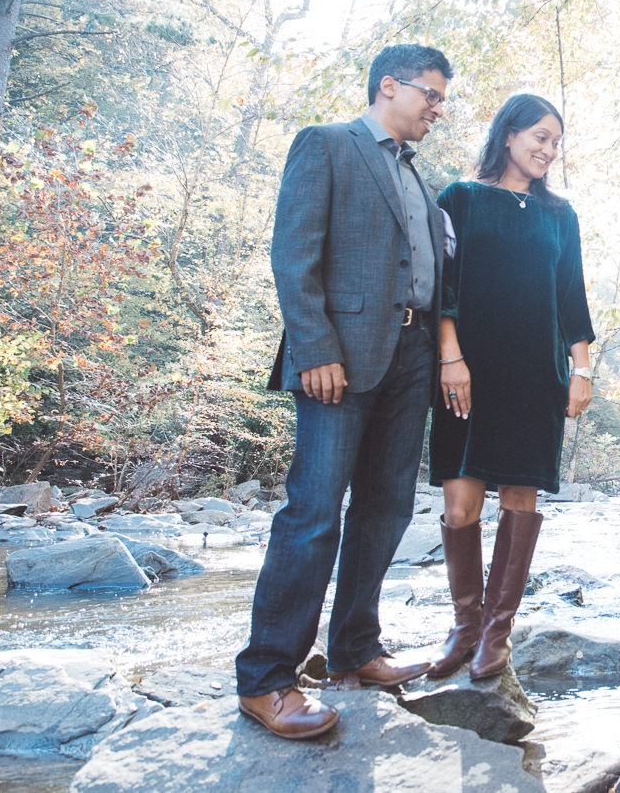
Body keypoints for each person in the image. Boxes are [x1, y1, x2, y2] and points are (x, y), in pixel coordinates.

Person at [235, 44, 453, 739]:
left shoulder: (424, 181)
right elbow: (292, 253)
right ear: (388, 85)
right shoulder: (325, 145)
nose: (438, 110)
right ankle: (268, 676)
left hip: (411, 358)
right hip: (339, 357)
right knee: (313, 513)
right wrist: (314, 347)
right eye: (432, 95)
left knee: (386, 508)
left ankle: (355, 648)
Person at [425, 93, 594, 682]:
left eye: (555, 142)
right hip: (467, 371)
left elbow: (571, 295)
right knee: (460, 503)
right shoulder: (459, 200)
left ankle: (496, 633)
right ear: (508, 134)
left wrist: (581, 368)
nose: (548, 150)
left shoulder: (560, 215)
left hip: (534, 375)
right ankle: (464, 626)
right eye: (539, 137)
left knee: (520, 498)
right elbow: (439, 287)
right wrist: (451, 358)